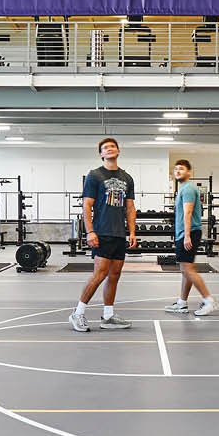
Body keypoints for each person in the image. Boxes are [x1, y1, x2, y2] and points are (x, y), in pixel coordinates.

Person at [71, 138, 137, 332]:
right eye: (105, 148)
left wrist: (132, 232)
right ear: (101, 154)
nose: (109, 149)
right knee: (99, 274)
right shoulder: (95, 175)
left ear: (118, 151)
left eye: (112, 146)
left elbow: (130, 208)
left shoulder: (127, 178)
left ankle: (108, 316)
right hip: (101, 232)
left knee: (114, 275)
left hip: (119, 234)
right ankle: (77, 313)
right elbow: (87, 205)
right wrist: (90, 231)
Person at [164, 159, 219, 316]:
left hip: (188, 233)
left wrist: (186, 236)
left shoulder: (188, 189)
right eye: (176, 169)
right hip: (186, 232)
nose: (178, 171)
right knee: (186, 269)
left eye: (181, 168)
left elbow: (188, 213)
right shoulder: (183, 189)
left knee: (187, 269)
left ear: (189, 172)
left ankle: (209, 300)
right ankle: (182, 303)